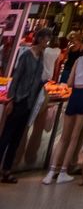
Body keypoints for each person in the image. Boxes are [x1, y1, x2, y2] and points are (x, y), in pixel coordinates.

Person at [44, 34, 83, 183]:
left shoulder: (78, 60)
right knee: (74, 138)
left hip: (74, 95)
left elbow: (69, 82)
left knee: (64, 137)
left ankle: (51, 172)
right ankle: (64, 170)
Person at [0, 28, 48, 183]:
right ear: (40, 39)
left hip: (30, 103)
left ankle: (7, 170)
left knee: (17, 138)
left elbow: (38, 78)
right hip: (19, 100)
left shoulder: (41, 57)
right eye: (46, 39)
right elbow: (16, 77)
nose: (47, 43)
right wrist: (11, 100)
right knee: (6, 136)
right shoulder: (26, 55)